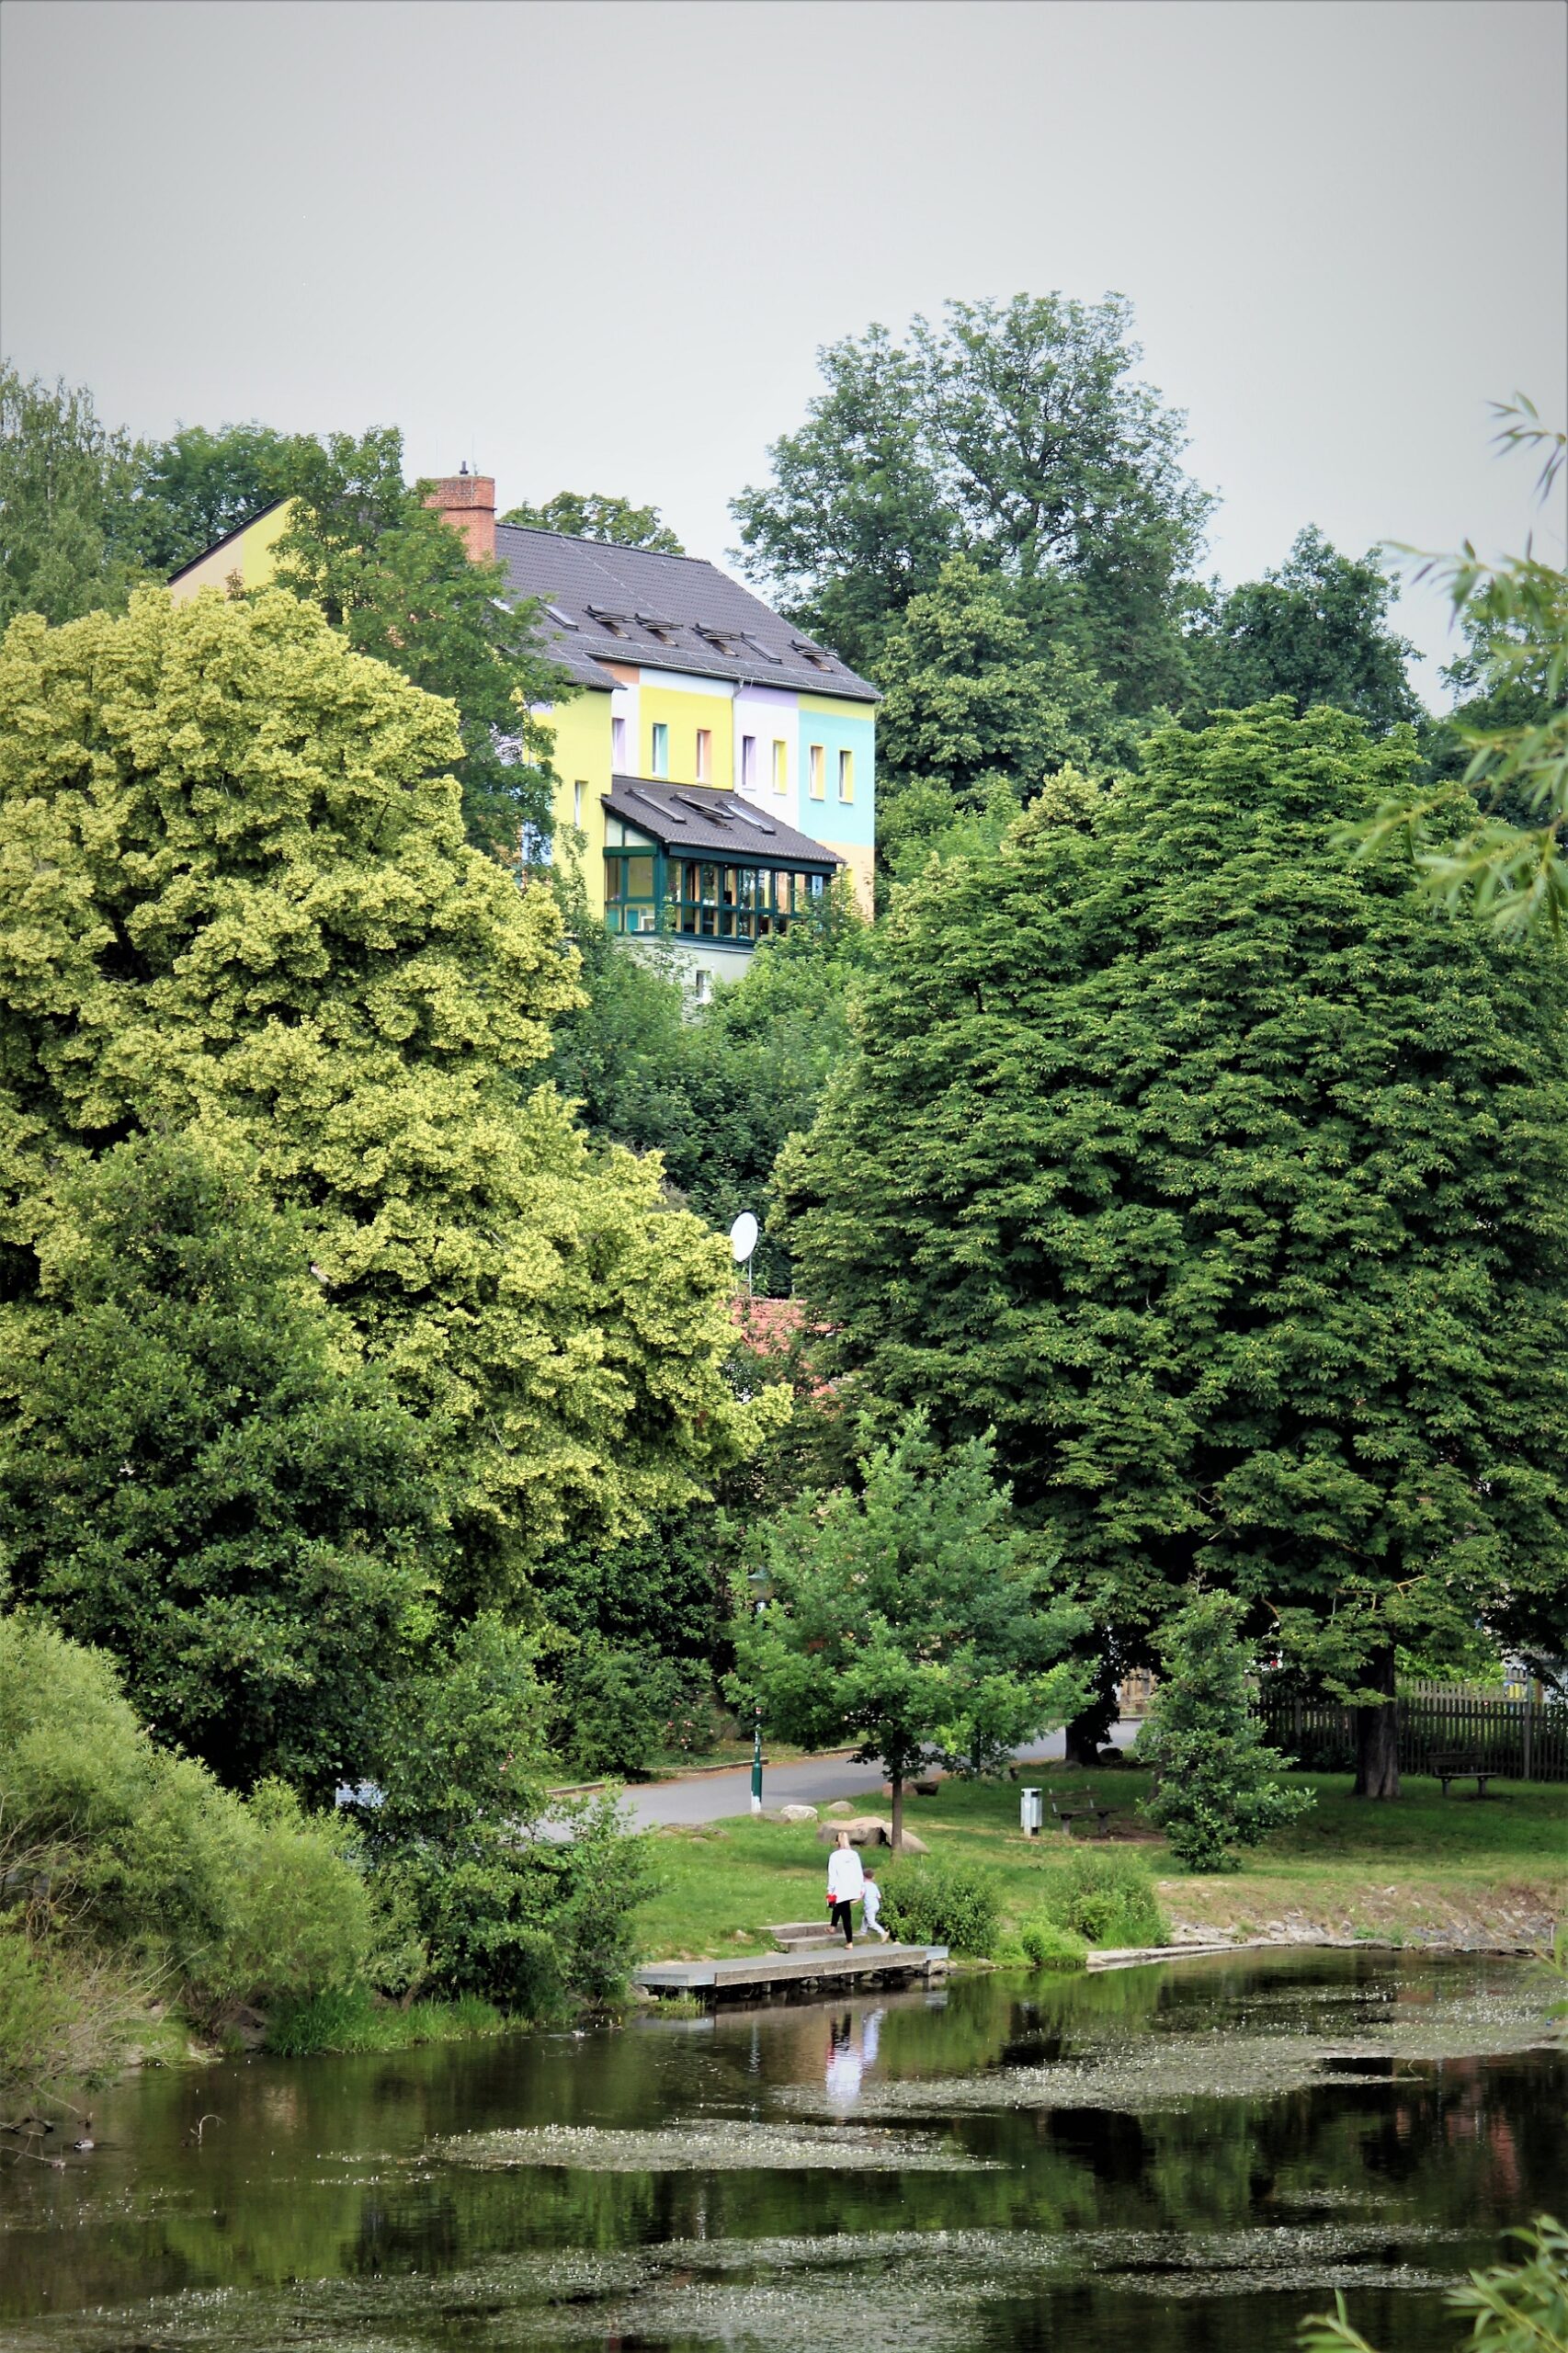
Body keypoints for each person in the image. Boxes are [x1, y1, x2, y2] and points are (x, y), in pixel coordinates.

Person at [825, 1830, 864, 1946]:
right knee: (839, 1906)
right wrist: (861, 1888)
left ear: (837, 1842)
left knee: (845, 1914)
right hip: (852, 1887)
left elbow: (832, 1874)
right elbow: (858, 1871)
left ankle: (849, 1941)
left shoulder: (834, 1856)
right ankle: (833, 1927)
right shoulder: (854, 1855)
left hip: (840, 1887)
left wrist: (830, 1890)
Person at [861, 1862, 890, 1941]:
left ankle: (883, 1933)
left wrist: (856, 1899)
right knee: (865, 1918)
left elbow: (862, 1893)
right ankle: (862, 1932)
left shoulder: (864, 1885)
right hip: (876, 1905)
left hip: (869, 1906)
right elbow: (879, 1896)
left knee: (871, 1922)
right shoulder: (874, 1885)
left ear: (863, 1876)